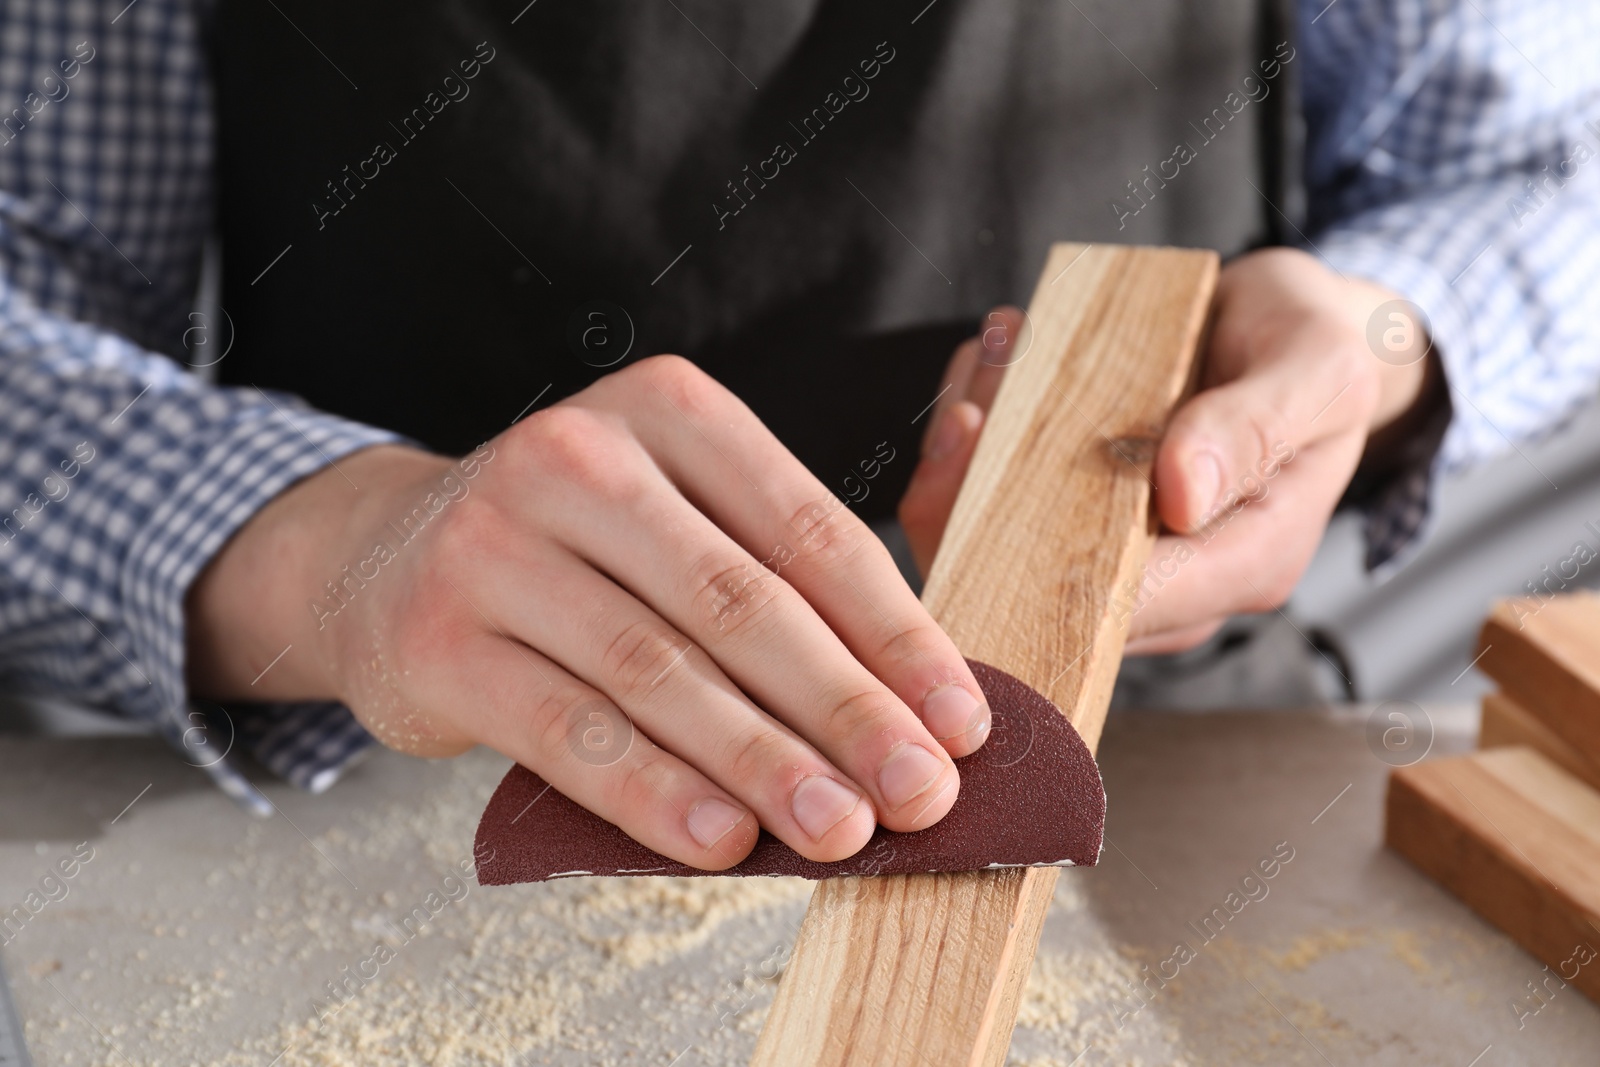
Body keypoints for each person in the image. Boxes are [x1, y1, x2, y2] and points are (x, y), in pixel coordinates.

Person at [1, 0, 1596, 870]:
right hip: (405, 807)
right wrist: (333, 546)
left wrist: (1385, 337)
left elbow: (1545, 167)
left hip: (1184, 778)